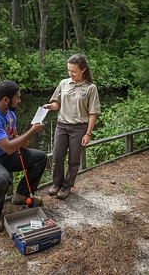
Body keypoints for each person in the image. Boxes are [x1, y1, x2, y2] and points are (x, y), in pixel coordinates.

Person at [0, 80, 47, 233]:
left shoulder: (10, 114)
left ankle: (21, 196)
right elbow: (9, 147)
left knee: (40, 157)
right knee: (2, 177)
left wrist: (23, 140)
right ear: (6, 99)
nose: (19, 100)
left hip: (4, 154)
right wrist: (31, 131)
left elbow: (14, 139)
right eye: (17, 97)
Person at [43, 53, 100, 200]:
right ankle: (56, 183)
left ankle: (67, 185)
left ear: (83, 70)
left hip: (79, 128)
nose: (71, 74)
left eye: (74, 71)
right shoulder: (64, 83)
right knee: (57, 157)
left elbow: (93, 113)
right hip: (62, 126)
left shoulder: (90, 88)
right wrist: (51, 106)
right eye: (69, 70)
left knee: (74, 160)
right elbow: (57, 103)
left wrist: (88, 134)